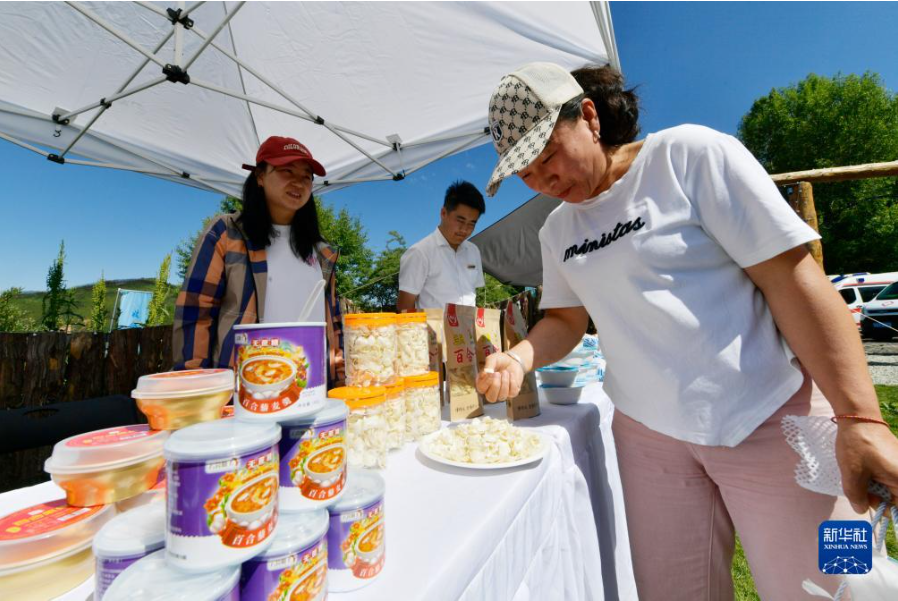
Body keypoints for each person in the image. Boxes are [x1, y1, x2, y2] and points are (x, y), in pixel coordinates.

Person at [476, 62, 898, 600]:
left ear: (588, 117)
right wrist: (520, 358)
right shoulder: (557, 229)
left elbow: (792, 279)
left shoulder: (689, 156)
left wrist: (860, 417)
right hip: (649, 439)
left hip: (772, 414)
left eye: (548, 155)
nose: (542, 179)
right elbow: (565, 318)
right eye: (525, 173)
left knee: (844, 583)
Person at [173, 136, 345, 387]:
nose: (299, 181)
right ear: (260, 177)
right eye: (287, 170)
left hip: (313, 388)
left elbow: (333, 320)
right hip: (248, 390)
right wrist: (195, 386)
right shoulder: (226, 234)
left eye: (307, 176)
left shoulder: (321, 251)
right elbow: (195, 313)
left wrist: (339, 379)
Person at [397, 181, 486, 311]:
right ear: (443, 213)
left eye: (472, 223)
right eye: (460, 220)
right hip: (433, 330)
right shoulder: (419, 253)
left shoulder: (473, 251)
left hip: (469, 329)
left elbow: (471, 297)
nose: (465, 229)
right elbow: (404, 308)